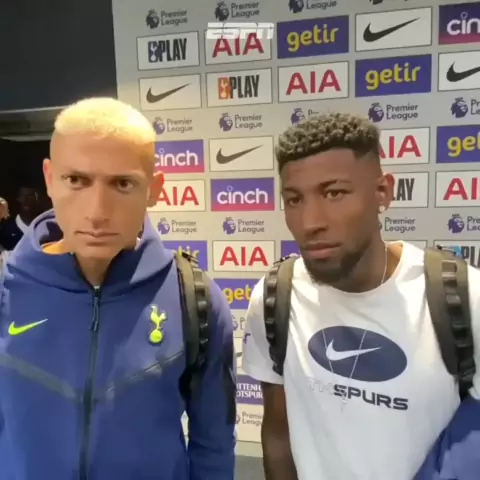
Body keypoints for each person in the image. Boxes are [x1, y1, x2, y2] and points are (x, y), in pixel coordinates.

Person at [0, 98, 236, 479]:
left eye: (123, 183)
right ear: (49, 178)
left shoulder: (195, 301)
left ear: (154, 189)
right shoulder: (6, 292)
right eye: (76, 180)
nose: (96, 211)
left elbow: (214, 448)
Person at [241, 112, 480, 480]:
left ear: (383, 191)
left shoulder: (464, 297)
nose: (310, 222)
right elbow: (277, 435)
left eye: (334, 193)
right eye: (294, 199)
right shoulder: (274, 297)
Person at [0, 185, 46, 252]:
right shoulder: (4, 230)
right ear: (18, 198)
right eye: (26, 196)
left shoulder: (48, 227)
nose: (28, 200)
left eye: (32, 196)